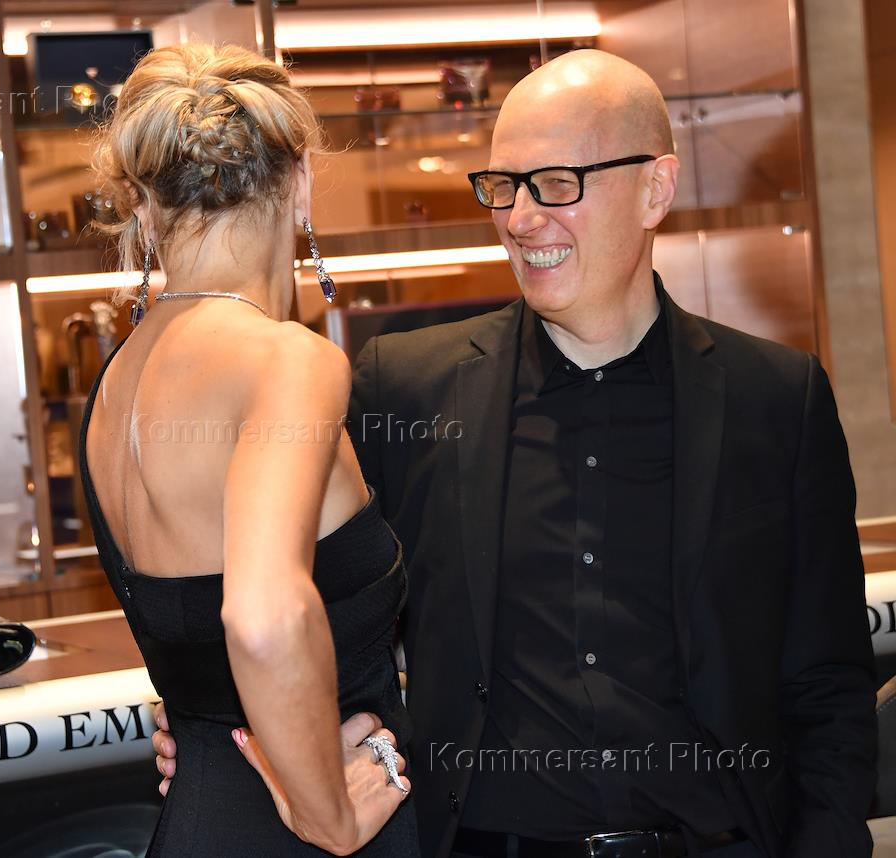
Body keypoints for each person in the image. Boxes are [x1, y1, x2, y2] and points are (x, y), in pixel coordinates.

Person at [155, 49, 877, 858]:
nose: (522, 218)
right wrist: (212, 730)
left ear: (656, 189)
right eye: (504, 186)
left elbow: (828, 681)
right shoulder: (405, 388)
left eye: (558, 183)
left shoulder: (778, 399)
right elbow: (307, 599)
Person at [79, 43, 417, 857]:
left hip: (197, 823)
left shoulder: (114, 383)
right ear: (301, 181)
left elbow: (195, 635)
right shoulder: (287, 360)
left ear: (142, 208)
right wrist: (330, 817)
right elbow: (262, 619)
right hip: (312, 834)